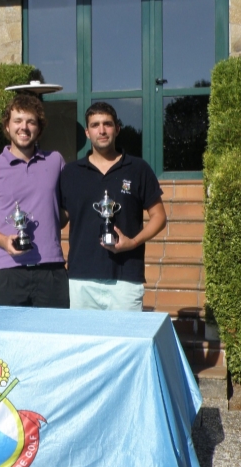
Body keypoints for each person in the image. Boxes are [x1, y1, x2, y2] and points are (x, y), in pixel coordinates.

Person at [60, 102, 167, 311]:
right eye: (95, 125)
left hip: (125, 278)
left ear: (117, 129)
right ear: (87, 132)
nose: (101, 130)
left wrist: (133, 242)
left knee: (126, 343)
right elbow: (61, 217)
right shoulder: (70, 173)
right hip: (82, 279)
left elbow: (159, 217)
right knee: (85, 343)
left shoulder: (138, 169)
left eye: (107, 124)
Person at [0, 94, 69, 308]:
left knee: (52, 340)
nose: (24, 127)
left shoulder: (55, 161)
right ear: (7, 126)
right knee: (10, 341)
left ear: (39, 128)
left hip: (50, 270)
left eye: (31, 121)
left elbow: (65, 210)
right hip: (8, 272)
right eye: (18, 121)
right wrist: (4, 241)